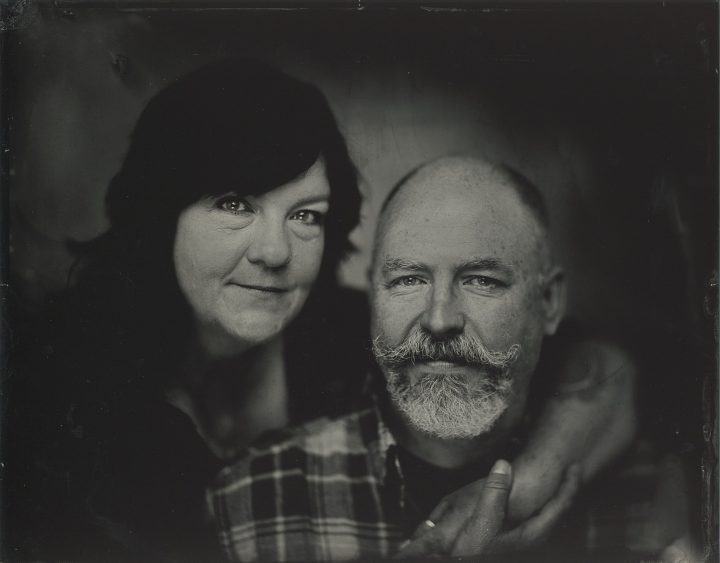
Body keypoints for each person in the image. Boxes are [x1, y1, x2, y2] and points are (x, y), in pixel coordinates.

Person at [5, 61, 634, 562]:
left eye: (306, 215)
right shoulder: (63, 388)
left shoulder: (351, 331)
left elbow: (595, 362)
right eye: (235, 204)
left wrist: (518, 491)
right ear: (157, 211)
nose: (277, 251)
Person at [208, 156, 637, 561]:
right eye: (407, 279)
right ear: (372, 293)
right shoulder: (251, 500)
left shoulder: (647, 501)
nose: (438, 319)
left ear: (549, 301)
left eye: (481, 280)